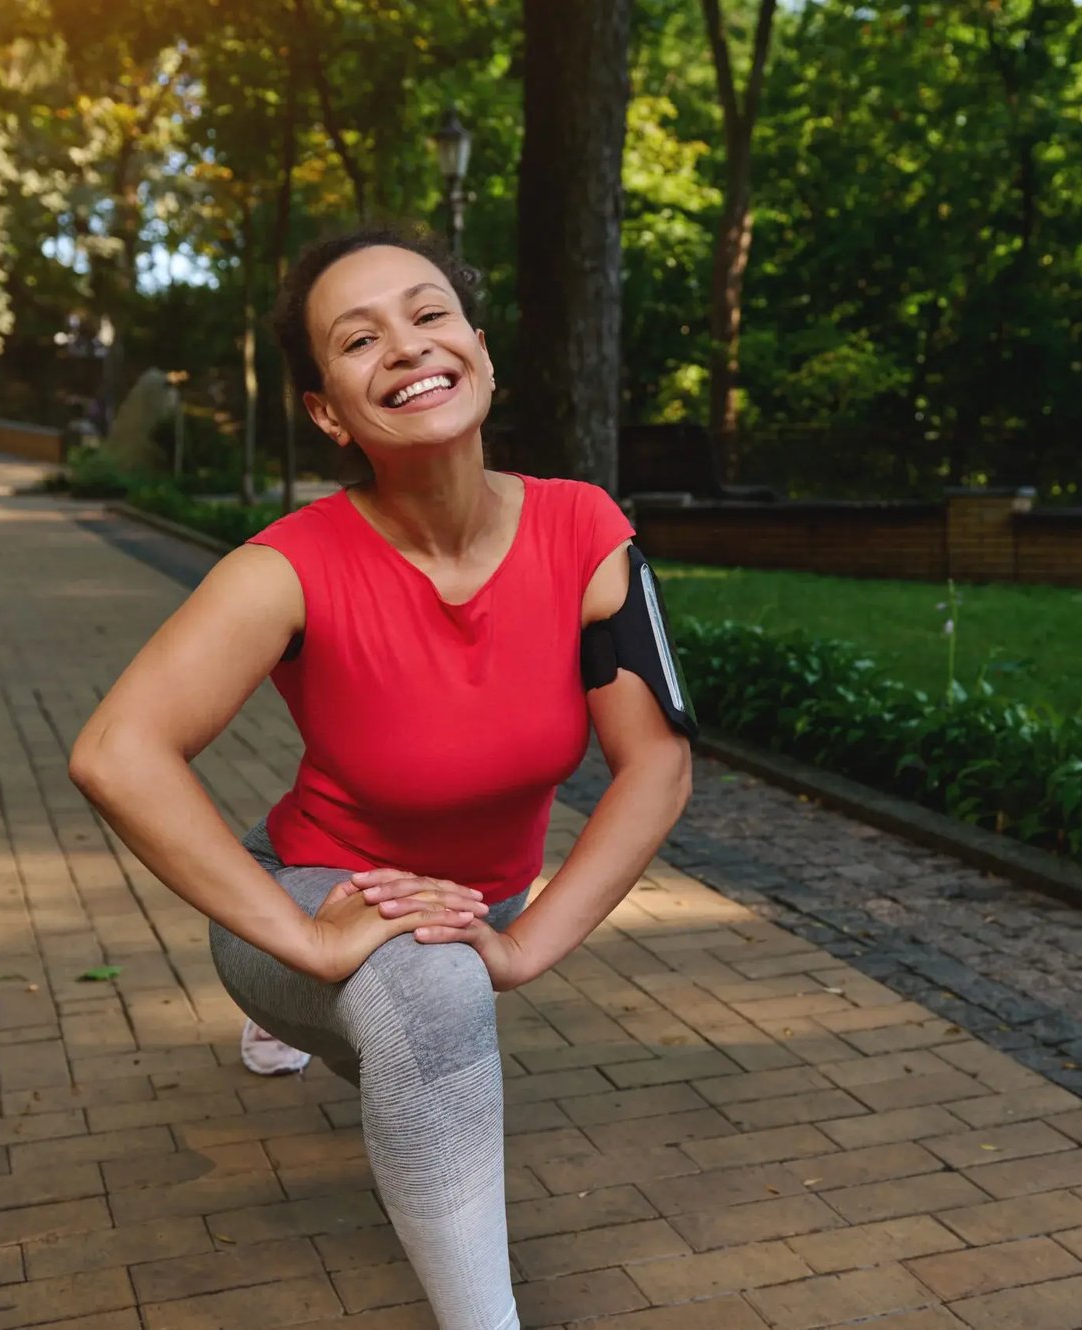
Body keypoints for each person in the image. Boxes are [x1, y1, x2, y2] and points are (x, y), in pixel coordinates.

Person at [69, 227, 695, 1330]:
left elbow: (654, 762)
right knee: (427, 985)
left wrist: (526, 942)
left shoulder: (584, 529)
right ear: (327, 409)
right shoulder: (287, 565)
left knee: (444, 989)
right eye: (358, 340)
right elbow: (116, 752)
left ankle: (368, 1010)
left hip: (477, 904)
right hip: (316, 892)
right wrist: (302, 937)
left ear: (481, 354)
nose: (406, 347)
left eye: (428, 314)